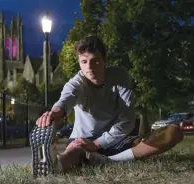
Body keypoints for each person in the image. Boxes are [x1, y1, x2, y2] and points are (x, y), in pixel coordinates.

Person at [32, 35, 183, 176]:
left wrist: (97, 144)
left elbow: (127, 120)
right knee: (76, 150)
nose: (89, 67)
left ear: (105, 60)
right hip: (82, 140)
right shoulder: (76, 83)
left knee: (174, 131)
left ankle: (109, 161)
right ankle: (56, 165)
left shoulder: (120, 76)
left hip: (114, 139)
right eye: (84, 62)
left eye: (95, 60)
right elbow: (65, 101)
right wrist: (54, 114)